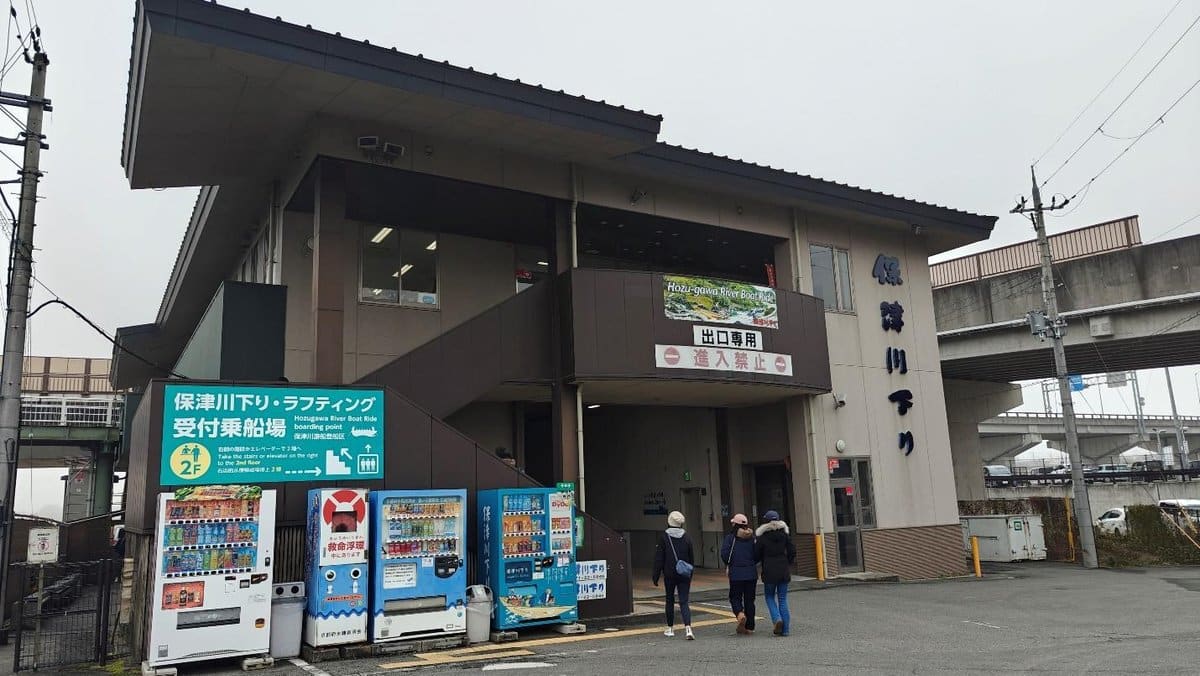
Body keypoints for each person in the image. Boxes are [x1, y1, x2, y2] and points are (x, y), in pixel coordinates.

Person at [652, 510, 695, 640]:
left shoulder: (664, 537)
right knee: (684, 601)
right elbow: (691, 558)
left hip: (670, 574)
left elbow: (659, 558)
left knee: (669, 600)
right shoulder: (687, 537)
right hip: (684, 574)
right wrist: (690, 573)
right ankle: (688, 628)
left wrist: (656, 575)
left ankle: (670, 628)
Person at [755, 509, 796, 637]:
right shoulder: (784, 535)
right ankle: (786, 630)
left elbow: (756, 555)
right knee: (783, 599)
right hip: (783, 569)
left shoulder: (762, 537)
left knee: (769, 597)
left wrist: (759, 562)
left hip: (769, 570)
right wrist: (787, 562)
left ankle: (776, 619)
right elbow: (792, 551)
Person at [719, 513, 757, 635]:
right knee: (750, 600)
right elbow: (757, 554)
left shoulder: (731, 538)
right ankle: (750, 627)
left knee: (735, 597)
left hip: (736, 573)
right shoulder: (752, 537)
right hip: (751, 573)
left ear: (735, 524)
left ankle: (740, 614)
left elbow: (725, 554)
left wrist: (729, 563)